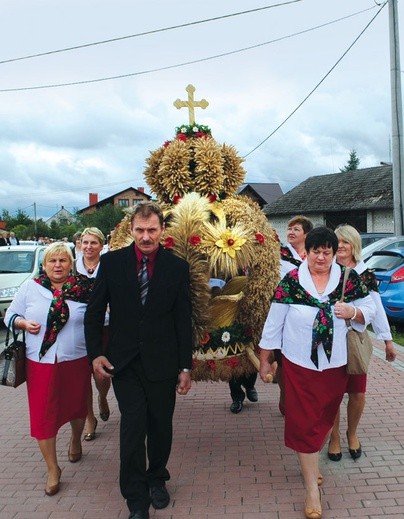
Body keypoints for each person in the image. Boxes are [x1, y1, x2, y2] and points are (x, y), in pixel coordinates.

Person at [84, 201, 193, 519]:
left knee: (160, 426)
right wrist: (95, 354)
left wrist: (185, 366)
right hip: (125, 362)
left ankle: (157, 478)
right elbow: (93, 314)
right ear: (131, 230)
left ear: (162, 231)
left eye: (152, 230)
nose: (146, 236)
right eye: (140, 230)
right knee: (133, 426)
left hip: (163, 362)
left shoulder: (177, 267)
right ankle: (135, 499)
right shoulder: (112, 263)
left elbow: (182, 320)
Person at [259, 227, 376, 519]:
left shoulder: (349, 281)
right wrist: (265, 359)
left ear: (334, 253)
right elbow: (274, 321)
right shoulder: (292, 282)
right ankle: (312, 487)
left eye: (327, 252)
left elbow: (370, 309)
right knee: (303, 420)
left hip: (335, 365)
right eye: (316, 252)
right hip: (299, 363)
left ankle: (310, 462)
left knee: (323, 417)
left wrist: (354, 313)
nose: (321, 257)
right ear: (307, 252)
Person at [4, 242, 94, 497]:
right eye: (52, 261)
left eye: (63, 260)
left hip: (75, 357)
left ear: (71, 263)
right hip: (39, 361)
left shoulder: (85, 289)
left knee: (77, 406)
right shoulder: (30, 288)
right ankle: (53, 469)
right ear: (44, 265)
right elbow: (10, 315)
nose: (57, 265)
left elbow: (101, 317)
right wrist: (22, 322)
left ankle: (76, 439)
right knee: (43, 414)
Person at [327, 225, 397, 462]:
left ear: (354, 245)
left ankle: (352, 433)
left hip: (355, 340)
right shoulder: (327, 271)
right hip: (331, 340)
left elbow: (376, 310)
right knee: (333, 393)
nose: (341, 246)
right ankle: (334, 436)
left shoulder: (365, 274)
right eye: (338, 242)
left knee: (357, 392)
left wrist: (387, 341)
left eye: (346, 242)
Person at [76, 227, 112, 441]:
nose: (88, 247)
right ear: (80, 243)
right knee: (82, 376)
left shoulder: (108, 266)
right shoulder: (72, 266)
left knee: (101, 372)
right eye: (85, 242)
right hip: (77, 327)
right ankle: (90, 418)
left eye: (93, 243)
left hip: (104, 326)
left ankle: (103, 397)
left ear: (101, 245)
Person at [277, 215, 314, 414]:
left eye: (296, 229)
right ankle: (285, 395)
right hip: (285, 312)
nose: (291, 232)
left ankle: (302, 397)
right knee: (283, 358)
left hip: (309, 315)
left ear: (306, 235)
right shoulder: (279, 254)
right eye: (290, 228)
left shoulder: (314, 255)